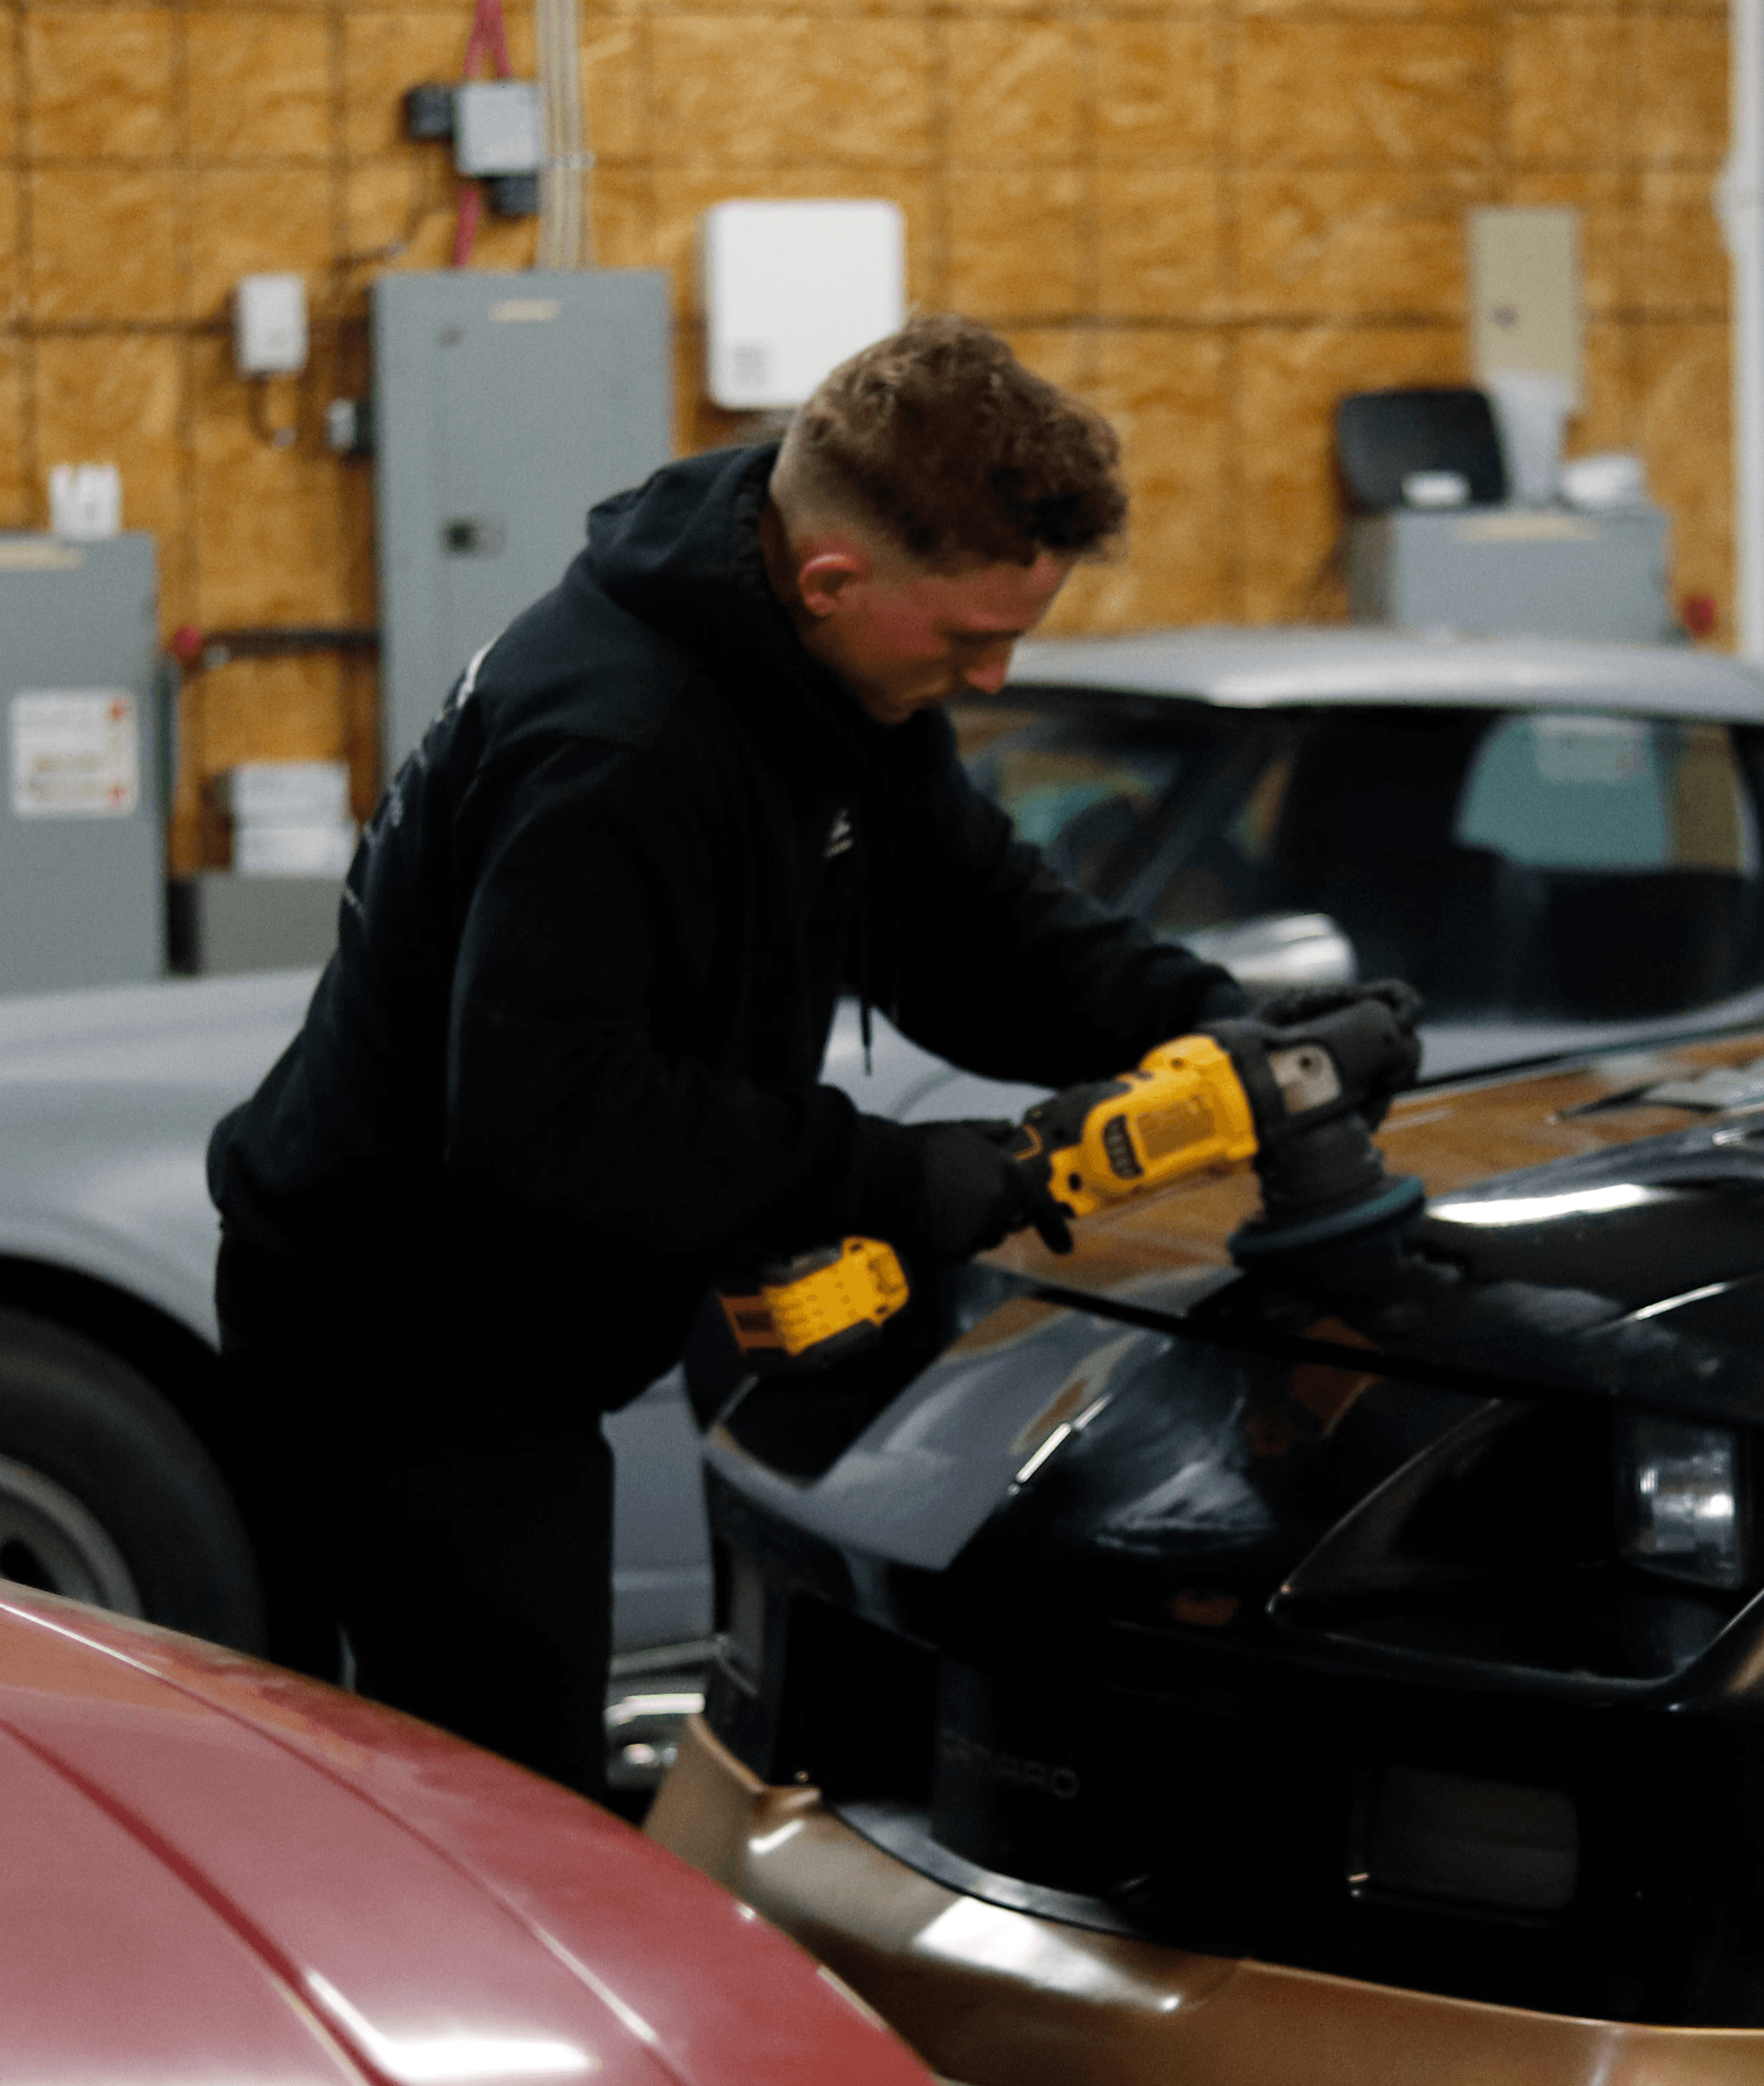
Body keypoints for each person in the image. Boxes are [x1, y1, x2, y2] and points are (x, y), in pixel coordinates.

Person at [207, 314, 1254, 1797]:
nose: (998, 672)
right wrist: (907, 1173)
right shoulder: (618, 745)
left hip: (545, 1303)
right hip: (402, 1342)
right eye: (968, 637)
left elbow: (976, 929)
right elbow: (546, 1114)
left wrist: (1218, 1023)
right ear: (832, 578)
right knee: (499, 1802)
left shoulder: (831, 682)